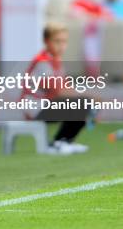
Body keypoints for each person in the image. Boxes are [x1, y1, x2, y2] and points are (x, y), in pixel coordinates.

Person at [21, 22, 89, 155]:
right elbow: (57, 90)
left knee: (82, 104)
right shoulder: (43, 61)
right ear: (46, 41)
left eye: (64, 41)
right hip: (34, 108)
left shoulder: (55, 61)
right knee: (81, 104)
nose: (61, 45)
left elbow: (64, 86)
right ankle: (59, 143)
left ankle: (65, 141)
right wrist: (91, 97)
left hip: (44, 104)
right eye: (57, 41)